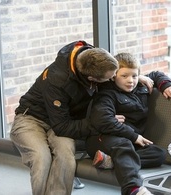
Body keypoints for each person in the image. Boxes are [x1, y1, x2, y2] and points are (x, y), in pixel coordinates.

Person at [10, 41, 154, 195]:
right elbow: (62, 127)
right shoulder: (57, 81)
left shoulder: (94, 57)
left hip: (65, 119)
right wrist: (98, 123)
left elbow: (119, 71)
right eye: (111, 77)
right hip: (32, 119)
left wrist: (140, 78)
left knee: (66, 158)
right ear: (92, 79)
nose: (113, 79)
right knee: (41, 158)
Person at [85, 52, 171, 195]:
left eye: (134, 76)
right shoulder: (107, 93)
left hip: (126, 144)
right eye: (124, 76)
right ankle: (133, 189)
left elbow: (156, 75)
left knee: (159, 154)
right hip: (102, 140)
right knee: (124, 146)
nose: (130, 81)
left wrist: (165, 85)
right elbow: (102, 120)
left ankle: (110, 161)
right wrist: (134, 136)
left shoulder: (141, 87)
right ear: (114, 75)